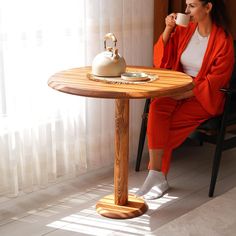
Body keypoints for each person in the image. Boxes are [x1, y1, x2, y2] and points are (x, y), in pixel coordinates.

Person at [135, 0, 235, 200]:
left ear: (208, 7)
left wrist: (186, 93)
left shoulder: (224, 41)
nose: (186, 10)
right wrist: (167, 29)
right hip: (179, 85)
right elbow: (161, 60)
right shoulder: (184, 30)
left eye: (192, 6)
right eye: (186, 5)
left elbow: (215, 82)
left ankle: (157, 176)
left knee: (165, 126)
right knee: (158, 106)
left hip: (204, 96)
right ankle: (156, 174)